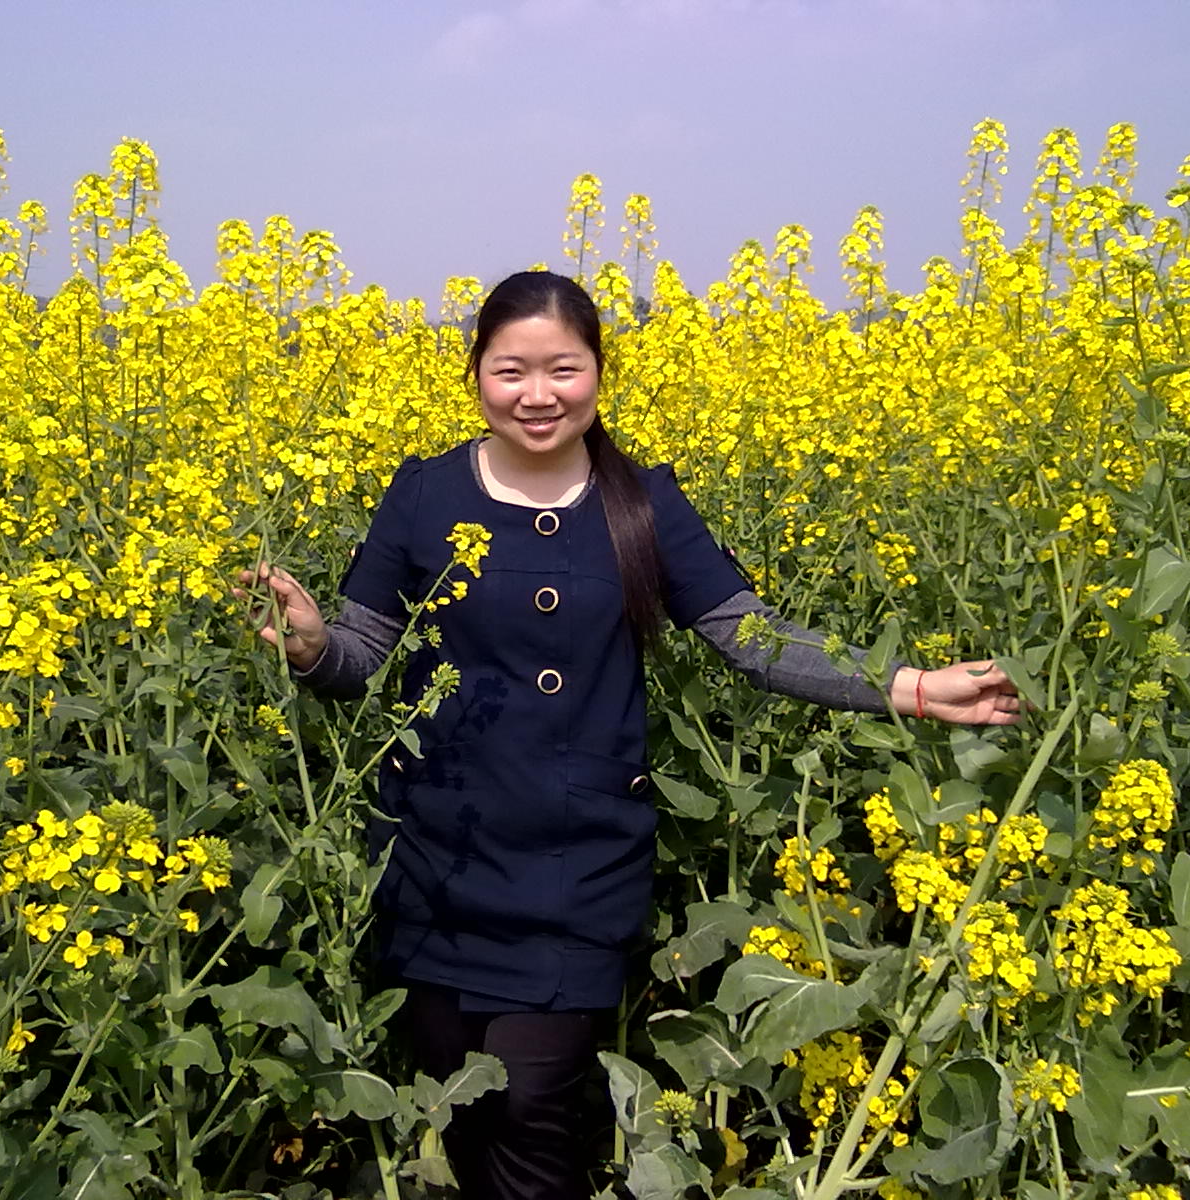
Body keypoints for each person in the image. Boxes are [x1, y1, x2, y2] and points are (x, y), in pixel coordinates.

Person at [239, 270, 1020, 1199]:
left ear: (599, 373)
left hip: (575, 873)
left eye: (562, 369)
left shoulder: (639, 500)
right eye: (510, 371)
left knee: (533, 1116)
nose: (538, 394)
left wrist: (912, 686)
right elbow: (362, 649)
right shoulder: (424, 492)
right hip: (437, 864)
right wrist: (313, 644)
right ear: (476, 376)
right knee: (465, 1113)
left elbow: (750, 636)